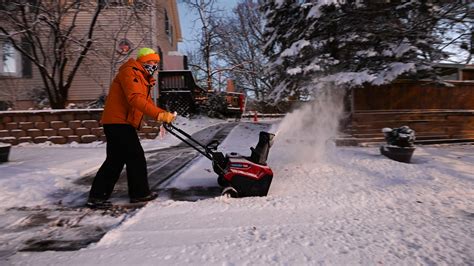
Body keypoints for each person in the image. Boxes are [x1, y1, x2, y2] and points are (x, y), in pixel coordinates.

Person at [86, 47, 175, 208]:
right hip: (118, 122)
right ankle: (139, 194)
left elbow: (146, 103)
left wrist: (162, 114)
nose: (153, 65)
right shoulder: (130, 72)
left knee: (115, 160)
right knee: (135, 156)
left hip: (121, 123)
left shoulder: (143, 77)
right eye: (150, 61)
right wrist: (159, 115)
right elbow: (135, 98)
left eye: (155, 62)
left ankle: (98, 196)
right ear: (142, 61)